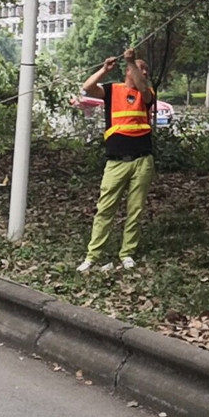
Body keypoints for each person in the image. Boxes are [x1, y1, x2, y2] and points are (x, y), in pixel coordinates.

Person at [77, 49, 155, 273]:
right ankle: (93, 256)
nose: (146, 72)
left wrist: (132, 61)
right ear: (128, 71)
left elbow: (144, 91)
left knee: (135, 209)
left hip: (142, 160)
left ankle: (127, 254)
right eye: (142, 68)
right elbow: (87, 87)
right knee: (105, 209)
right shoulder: (113, 90)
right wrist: (104, 69)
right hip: (116, 162)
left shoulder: (146, 92)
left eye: (146, 69)